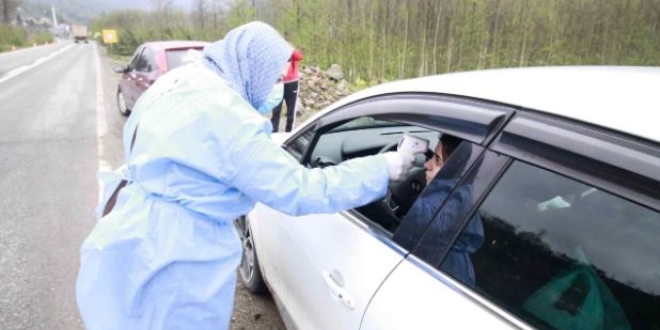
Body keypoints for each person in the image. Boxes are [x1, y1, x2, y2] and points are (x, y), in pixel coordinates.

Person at [76, 22, 417, 330]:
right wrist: (383, 168)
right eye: (272, 77)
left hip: (127, 232)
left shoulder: (180, 81)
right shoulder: (231, 120)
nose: (275, 89)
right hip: (178, 258)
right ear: (250, 66)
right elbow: (300, 189)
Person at [393, 134, 484, 286]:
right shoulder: (460, 193)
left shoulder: (454, 199)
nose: (426, 165)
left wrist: (383, 179)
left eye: (437, 161)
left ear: (452, 170)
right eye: (431, 158)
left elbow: (432, 220)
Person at [270, 48, 303, 132]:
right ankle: (274, 133)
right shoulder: (276, 52)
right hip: (279, 83)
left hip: (292, 83)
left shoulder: (291, 51)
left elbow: (299, 57)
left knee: (291, 112)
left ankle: (289, 133)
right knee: (276, 110)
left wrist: (290, 49)